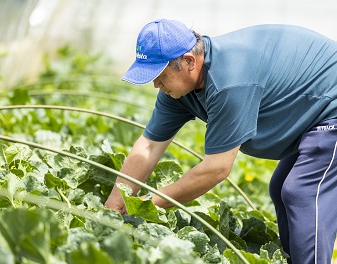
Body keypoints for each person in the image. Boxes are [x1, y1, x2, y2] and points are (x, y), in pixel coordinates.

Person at [104, 18, 337, 263]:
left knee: (302, 192)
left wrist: (147, 203)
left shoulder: (229, 82)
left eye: (160, 76)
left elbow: (216, 169)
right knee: (280, 189)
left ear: (189, 61)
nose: (155, 85)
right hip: (309, 108)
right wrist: (117, 198)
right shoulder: (177, 89)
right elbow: (149, 145)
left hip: (330, 105)